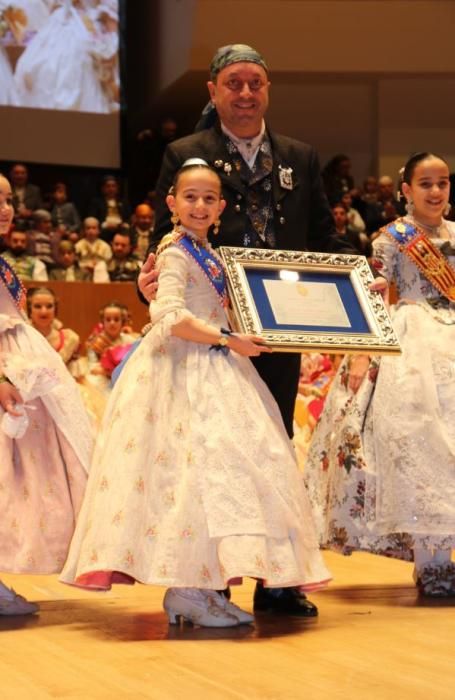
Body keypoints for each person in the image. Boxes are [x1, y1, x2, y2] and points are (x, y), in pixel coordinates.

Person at [61, 160, 330, 627]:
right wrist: (229, 341)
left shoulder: (208, 251)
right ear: (172, 203)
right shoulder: (175, 251)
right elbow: (168, 316)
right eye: (191, 197)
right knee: (191, 476)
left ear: (222, 206)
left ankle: (204, 585)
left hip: (215, 366)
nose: (200, 205)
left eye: (209, 198)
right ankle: (187, 588)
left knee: (223, 475)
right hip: (184, 371)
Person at [140, 44, 356, 617]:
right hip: (212, 329)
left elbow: (324, 238)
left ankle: (277, 579)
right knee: (214, 456)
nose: (245, 93)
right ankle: (214, 578)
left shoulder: (300, 157)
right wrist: (151, 273)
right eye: (233, 83)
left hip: (279, 327)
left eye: (255, 83)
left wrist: (361, 279)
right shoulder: (187, 154)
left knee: (274, 448)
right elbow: (165, 235)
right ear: (212, 92)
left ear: (267, 91)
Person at [304, 152, 455, 596]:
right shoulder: (391, 239)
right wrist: (360, 352)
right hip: (412, 340)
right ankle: (433, 560)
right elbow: (374, 297)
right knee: (419, 438)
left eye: (443, 183)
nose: (436, 192)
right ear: (404, 191)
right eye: (425, 184)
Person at [0, 174, 91, 615]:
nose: (4, 208)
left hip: (22, 372)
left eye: (6, 200)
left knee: (23, 480)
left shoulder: (4, 262)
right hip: (5, 374)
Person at [27, 286, 80, 371]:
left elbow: (75, 376)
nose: (44, 311)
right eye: (37, 306)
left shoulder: (69, 339)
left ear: (55, 310)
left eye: (49, 306)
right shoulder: (20, 338)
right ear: (30, 311)